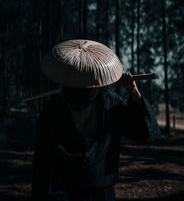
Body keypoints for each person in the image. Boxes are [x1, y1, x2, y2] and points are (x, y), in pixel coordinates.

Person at [31, 39, 161, 201]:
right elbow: (43, 163)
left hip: (101, 191)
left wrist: (133, 91)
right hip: (63, 191)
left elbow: (145, 132)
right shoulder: (54, 108)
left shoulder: (110, 102)